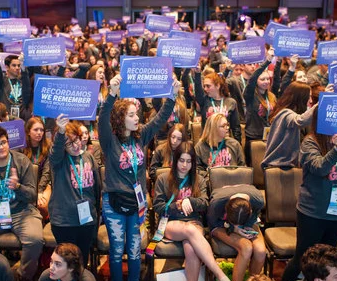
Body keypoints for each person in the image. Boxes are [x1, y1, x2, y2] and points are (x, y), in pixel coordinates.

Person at [98, 74, 179, 281]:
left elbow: (160, 119)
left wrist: (171, 97)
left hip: (137, 202)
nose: (137, 119)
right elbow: (103, 116)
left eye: (137, 115)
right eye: (132, 115)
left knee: (134, 250)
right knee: (116, 251)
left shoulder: (140, 134)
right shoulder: (109, 140)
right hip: (113, 202)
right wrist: (112, 94)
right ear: (120, 118)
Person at [282, 107, 337, 281]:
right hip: (313, 213)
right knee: (303, 259)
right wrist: (336, 150)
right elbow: (319, 167)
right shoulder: (310, 142)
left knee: (327, 264)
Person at [0, 126, 44, 281]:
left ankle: (22, 276)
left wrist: (17, 187)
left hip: (22, 211)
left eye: (4, 142)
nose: (1, 147)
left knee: (35, 240)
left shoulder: (22, 161)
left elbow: (32, 196)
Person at [153, 143, 230, 281]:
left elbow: (205, 204)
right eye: (181, 160)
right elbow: (158, 207)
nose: (184, 165)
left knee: (192, 250)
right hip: (170, 223)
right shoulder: (163, 179)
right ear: (175, 160)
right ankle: (220, 274)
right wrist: (176, 206)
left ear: (193, 163)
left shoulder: (198, 179)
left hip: (194, 222)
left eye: (189, 161)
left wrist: (191, 201)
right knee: (189, 230)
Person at [48, 115, 100, 266]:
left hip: (87, 220)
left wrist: (95, 214)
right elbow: (55, 150)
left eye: (76, 140)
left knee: (82, 260)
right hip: (65, 221)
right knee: (66, 264)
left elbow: (96, 189)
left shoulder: (89, 157)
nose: (76, 145)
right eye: (69, 143)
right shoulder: (58, 160)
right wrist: (61, 131)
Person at [208, 184, 265, 281]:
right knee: (246, 247)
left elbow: (255, 217)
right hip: (219, 225)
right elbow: (212, 222)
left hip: (248, 222)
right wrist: (233, 228)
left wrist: (247, 225)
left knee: (260, 251)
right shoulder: (217, 203)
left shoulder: (258, 200)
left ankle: (252, 279)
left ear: (250, 211)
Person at [261, 81, 319, 169]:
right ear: (300, 98)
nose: (311, 101)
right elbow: (300, 121)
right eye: (309, 97)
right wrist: (321, 102)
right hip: (275, 166)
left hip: (286, 165)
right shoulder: (285, 114)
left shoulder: (289, 113)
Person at [0, 36, 31, 119]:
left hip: (23, 120)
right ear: (7, 67)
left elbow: (26, 79)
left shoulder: (22, 81)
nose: (17, 68)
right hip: (6, 119)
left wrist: (23, 67)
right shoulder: (2, 82)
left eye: (19, 65)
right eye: (14, 65)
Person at [196, 72, 242, 143]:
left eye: (208, 86)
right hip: (208, 142)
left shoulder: (231, 102)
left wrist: (238, 146)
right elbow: (198, 91)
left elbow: (236, 127)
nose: (205, 89)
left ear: (217, 86)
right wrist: (197, 73)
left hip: (225, 141)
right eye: (204, 86)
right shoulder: (204, 101)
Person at [23, 117, 52, 220]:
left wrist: (39, 191)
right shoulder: (22, 148)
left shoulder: (48, 146)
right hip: (26, 184)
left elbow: (47, 172)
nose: (39, 133)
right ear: (28, 132)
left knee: (42, 206)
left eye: (42, 130)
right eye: (36, 130)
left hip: (44, 183)